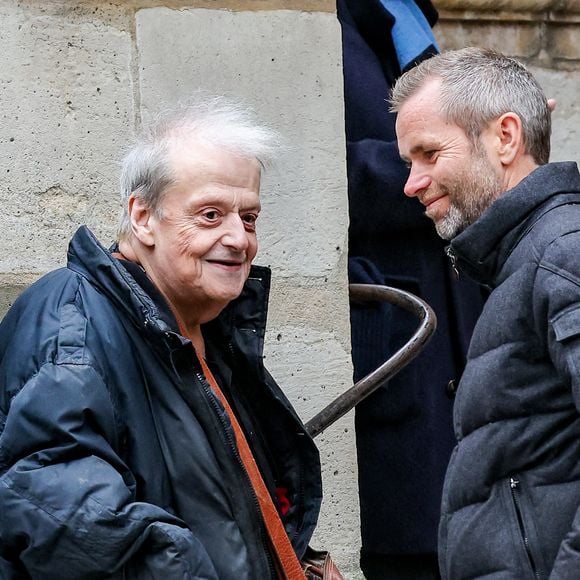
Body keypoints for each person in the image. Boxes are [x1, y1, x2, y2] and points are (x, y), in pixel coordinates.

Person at [0, 97, 323, 578]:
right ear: (143, 217)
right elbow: (60, 512)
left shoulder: (199, 325)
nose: (239, 238)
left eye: (249, 217)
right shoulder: (75, 322)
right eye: (210, 214)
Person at [391, 47, 580, 579]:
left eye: (429, 153)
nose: (411, 183)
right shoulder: (524, 258)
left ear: (505, 137)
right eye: (410, 161)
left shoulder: (563, 252)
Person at [337, 2, 485, 578]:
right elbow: (308, 171)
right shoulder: (328, 18)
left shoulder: (412, 15)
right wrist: (448, 163)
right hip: (388, 348)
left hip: (457, 328)